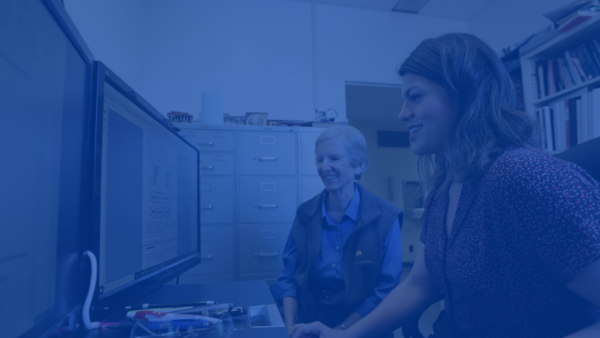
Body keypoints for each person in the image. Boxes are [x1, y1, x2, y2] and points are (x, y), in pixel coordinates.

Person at [291, 33, 600, 338]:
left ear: (463, 96)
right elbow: (419, 284)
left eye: (415, 97)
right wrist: (345, 335)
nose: (402, 114)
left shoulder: (524, 174)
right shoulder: (443, 186)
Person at [270, 125, 404, 338]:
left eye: (334, 158)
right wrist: (290, 327)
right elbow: (288, 278)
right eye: (320, 159)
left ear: (359, 165)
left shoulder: (386, 217)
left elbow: (385, 290)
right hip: (309, 324)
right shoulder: (305, 214)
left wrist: (339, 332)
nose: (324, 167)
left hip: (364, 327)